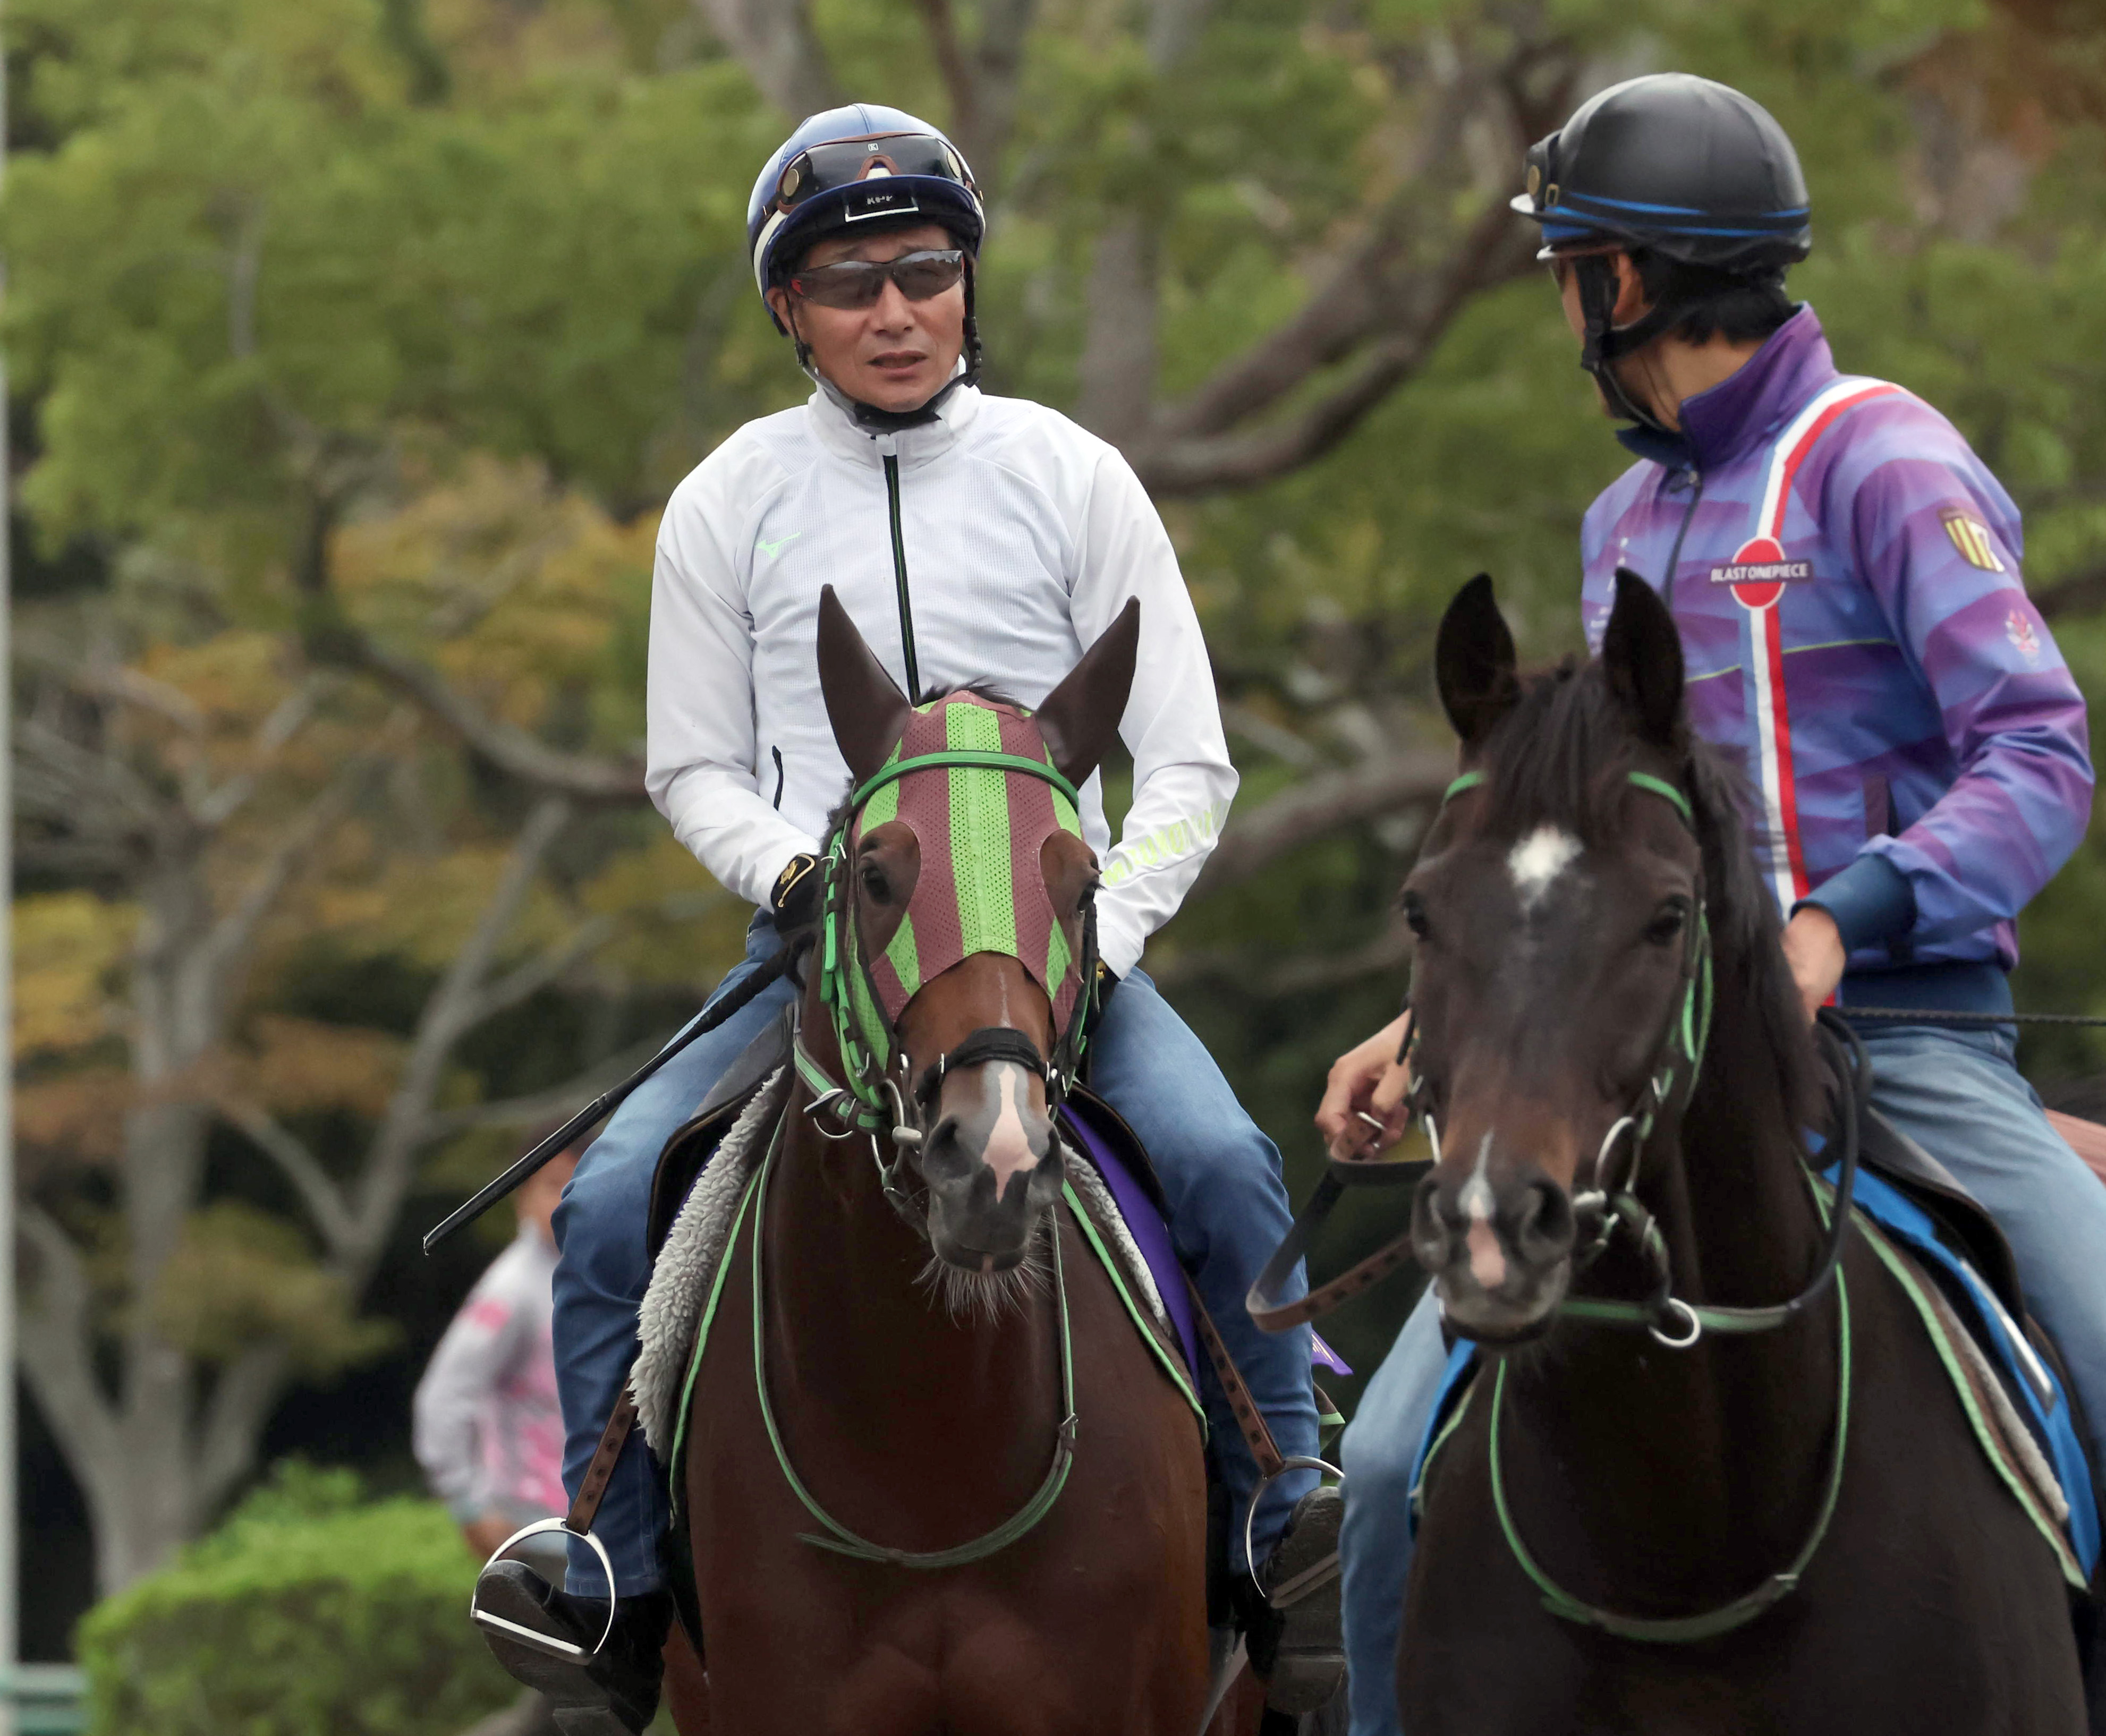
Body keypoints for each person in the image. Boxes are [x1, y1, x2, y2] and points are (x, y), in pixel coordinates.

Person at [474, 103, 1341, 1733]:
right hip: (825, 951)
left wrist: (1102, 933)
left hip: (1053, 957)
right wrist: (794, 882)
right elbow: (692, 766)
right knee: (607, 1205)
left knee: (1223, 1161)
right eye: (850, 281)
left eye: (924, 272)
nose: (893, 311)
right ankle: (611, 1575)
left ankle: (1281, 1513)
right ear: (788, 310)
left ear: (965, 285)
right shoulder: (727, 499)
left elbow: (1190, 759)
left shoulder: (1071, 476)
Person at [1318, 72, 2102, 1736]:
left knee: (2103, 1335)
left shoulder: (1884, 459)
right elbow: (1581, 858)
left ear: (1626, 284)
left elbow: (2038, 750)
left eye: (1568, 270)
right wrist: (1433, 1020)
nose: (1561, 305)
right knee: (1385, 1461)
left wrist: (1849, 917)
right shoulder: (1623, 515)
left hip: (1908, 1040)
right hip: (1636, 1048)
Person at [416, 1139, 579, 1563]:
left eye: (579, 1182)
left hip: (591, 1525)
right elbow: (444, 1395)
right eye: (552, 1184)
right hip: (533, 1531)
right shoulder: (512, 1287)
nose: (566, 1197)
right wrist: (466, 1501)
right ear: (521, 1196)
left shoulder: (589, 1275)